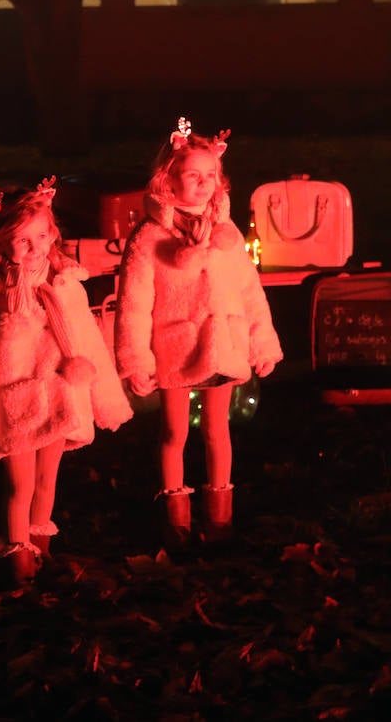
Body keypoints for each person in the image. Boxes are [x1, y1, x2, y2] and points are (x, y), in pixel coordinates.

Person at [0, 178, 132, 583]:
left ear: (53, 233)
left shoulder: (65, 285)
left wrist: (107, 403)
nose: (35, 247)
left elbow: (90, 345)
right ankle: (19, 561)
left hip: (60, 396)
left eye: (42, 236)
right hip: (14, 403)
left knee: (48, 480)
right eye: (21, 240)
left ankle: (41, 551)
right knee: (20, 486)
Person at [114, 118, 283, 547]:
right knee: (174, 432)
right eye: (193, 175)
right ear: (167, 179)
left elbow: (249, 292)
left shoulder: (227, 235)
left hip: (223, 345)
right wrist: (136, 359)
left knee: (217, 428)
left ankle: (220, 520)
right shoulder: (150, 237)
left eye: (211, 175)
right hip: (175, 347)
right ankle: (176, 519)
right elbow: (133, 304)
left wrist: (261, 342)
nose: (204, 183)